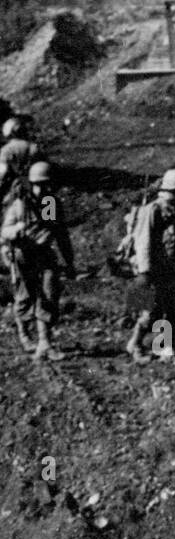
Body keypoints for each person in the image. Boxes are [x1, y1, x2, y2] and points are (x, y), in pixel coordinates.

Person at [0, 161, 75, 361]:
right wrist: (17, 229)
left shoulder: (50, 203)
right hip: (23, 254)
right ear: (33, 184)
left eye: (48, 185)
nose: (45, 190)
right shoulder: (19, 204)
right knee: (25, 296)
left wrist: (69, 261)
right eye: (41, 185)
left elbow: (59, 233)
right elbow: (4, 231)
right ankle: (25, 335)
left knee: (48, 294)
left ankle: (45, 342)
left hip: (43, 254)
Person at [124, 168, 175, 368]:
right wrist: (145, 273)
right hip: (154, 271)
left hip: (172, 270)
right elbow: (143, 242)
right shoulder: (152, 210)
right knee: (150, 312)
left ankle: (173, 348)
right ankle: (135, 344)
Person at [0, 115, 43, 205]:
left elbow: (2, 173)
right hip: (36, 185)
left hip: (16, 190)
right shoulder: (33, 147)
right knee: (49, 204)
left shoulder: (6, 150)